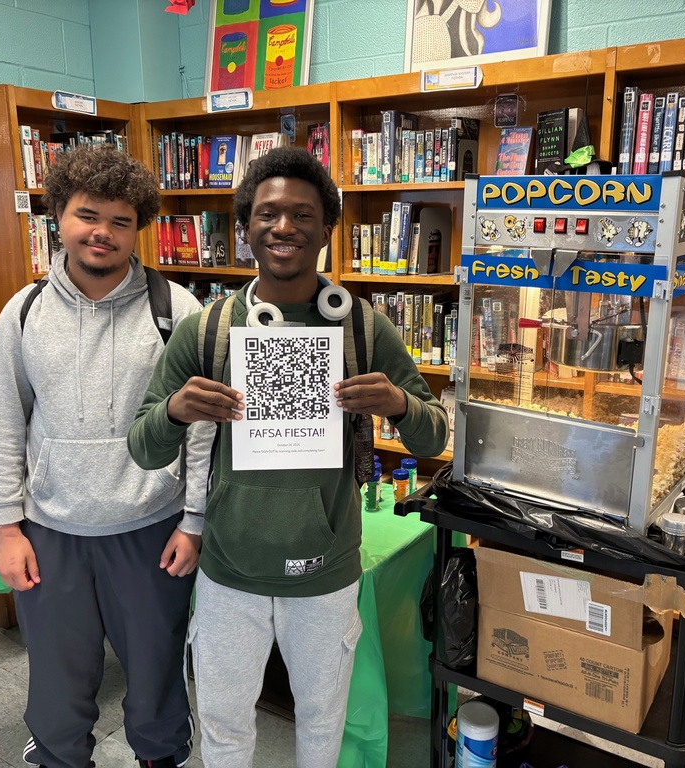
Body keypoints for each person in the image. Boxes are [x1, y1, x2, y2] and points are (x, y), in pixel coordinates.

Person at [128, 146, 448, 767]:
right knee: (223, 728)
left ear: (326, 229)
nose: (284, 227)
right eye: (268, 213)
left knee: (323, 725)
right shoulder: (210, 329)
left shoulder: (362, 328)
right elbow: (143, 445)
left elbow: (434, 436)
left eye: (303, 215)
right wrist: (176, 412)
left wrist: (399, 406)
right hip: (228, 573)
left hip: (325, 574)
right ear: (245, 225)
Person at [0, 144, 212, 768]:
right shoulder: (22, 313)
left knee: (158, 680)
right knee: (57, 691)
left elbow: (200, 430)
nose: (102, 233)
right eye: (88, 215)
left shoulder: (177, 313)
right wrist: (5, 527)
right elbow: (2, 422)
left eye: (120, 221)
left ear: (139, 228)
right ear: (58, 215)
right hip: (50, 535)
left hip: (151, 533)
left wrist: (193, 522)